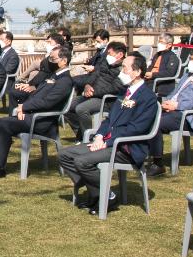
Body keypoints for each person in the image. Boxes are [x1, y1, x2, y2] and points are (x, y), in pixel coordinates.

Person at [59, 53, 158, 215]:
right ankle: (100, 193)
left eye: (125, 68)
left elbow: (137, 128)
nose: (121, 71)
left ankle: (102, 195)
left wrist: (108, 141)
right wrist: (99, 136)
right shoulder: (125, 93)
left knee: (82, 162)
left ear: (137, 72)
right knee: (64, 154)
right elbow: (108, 120)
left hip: (127, 147)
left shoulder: (148, 97)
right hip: (109, 141)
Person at [0, 44, 74, 179]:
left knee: (3, 125)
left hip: (42, 121)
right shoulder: (53, 76)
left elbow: (48, 102)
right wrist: (23, 107)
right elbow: (35, 95)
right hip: (31, 116)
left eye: (53, 59)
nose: (50, 61)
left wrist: (24, 108)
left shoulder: (65, 81)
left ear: (64, 61)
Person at [66, 41, 128, 140]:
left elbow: (115, 88)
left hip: (107, 100)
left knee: (81, 109)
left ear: (120, 54)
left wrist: (93, 92)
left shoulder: (124, 68)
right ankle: (82, 133)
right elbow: (94, 74)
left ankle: (88, 138)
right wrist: (87, 85)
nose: (107, 55)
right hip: (91, 94)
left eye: (110, 53)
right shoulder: (106, 62)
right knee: (67, 107)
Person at [11, 35, 59, 104]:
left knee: (15, 92)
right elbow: (42, 73)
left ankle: (21, 108)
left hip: (42, 90)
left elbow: (49, 78)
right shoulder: (49, 59)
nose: (48, 44)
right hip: (38, 86)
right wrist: (29, 84)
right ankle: (17, 111)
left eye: (50, 42)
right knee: (32, 73)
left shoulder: (54, 64)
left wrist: (35, 87)